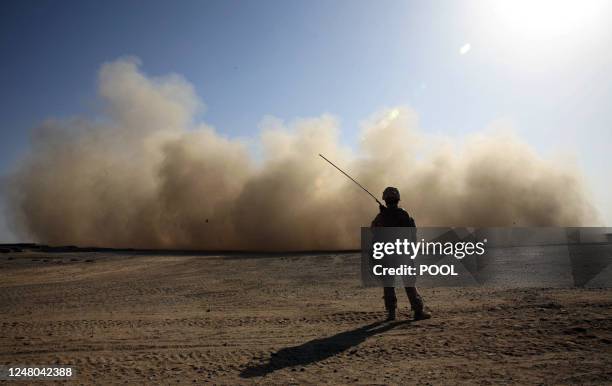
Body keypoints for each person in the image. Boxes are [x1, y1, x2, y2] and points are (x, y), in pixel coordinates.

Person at [371, 187, 431, 321]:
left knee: (388, 284)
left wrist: (384, 214)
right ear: (397, 199)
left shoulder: (381, 217)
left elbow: (374, 230)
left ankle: (391, 313)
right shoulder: (403, 214)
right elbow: (411, 233)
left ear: (385, 200)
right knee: (409, 283)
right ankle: (418, 311)